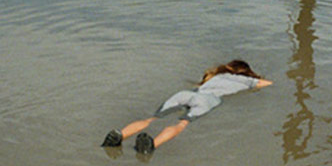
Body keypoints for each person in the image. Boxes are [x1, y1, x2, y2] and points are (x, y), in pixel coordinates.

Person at [102, 60, 272, 153]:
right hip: (208, 100)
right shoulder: (246, 80)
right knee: (182, 123)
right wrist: (253, 80)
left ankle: (120, 135)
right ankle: (152, 144)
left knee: (152, 118)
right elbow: (268, 84)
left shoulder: (216, 77)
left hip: (187, 94)